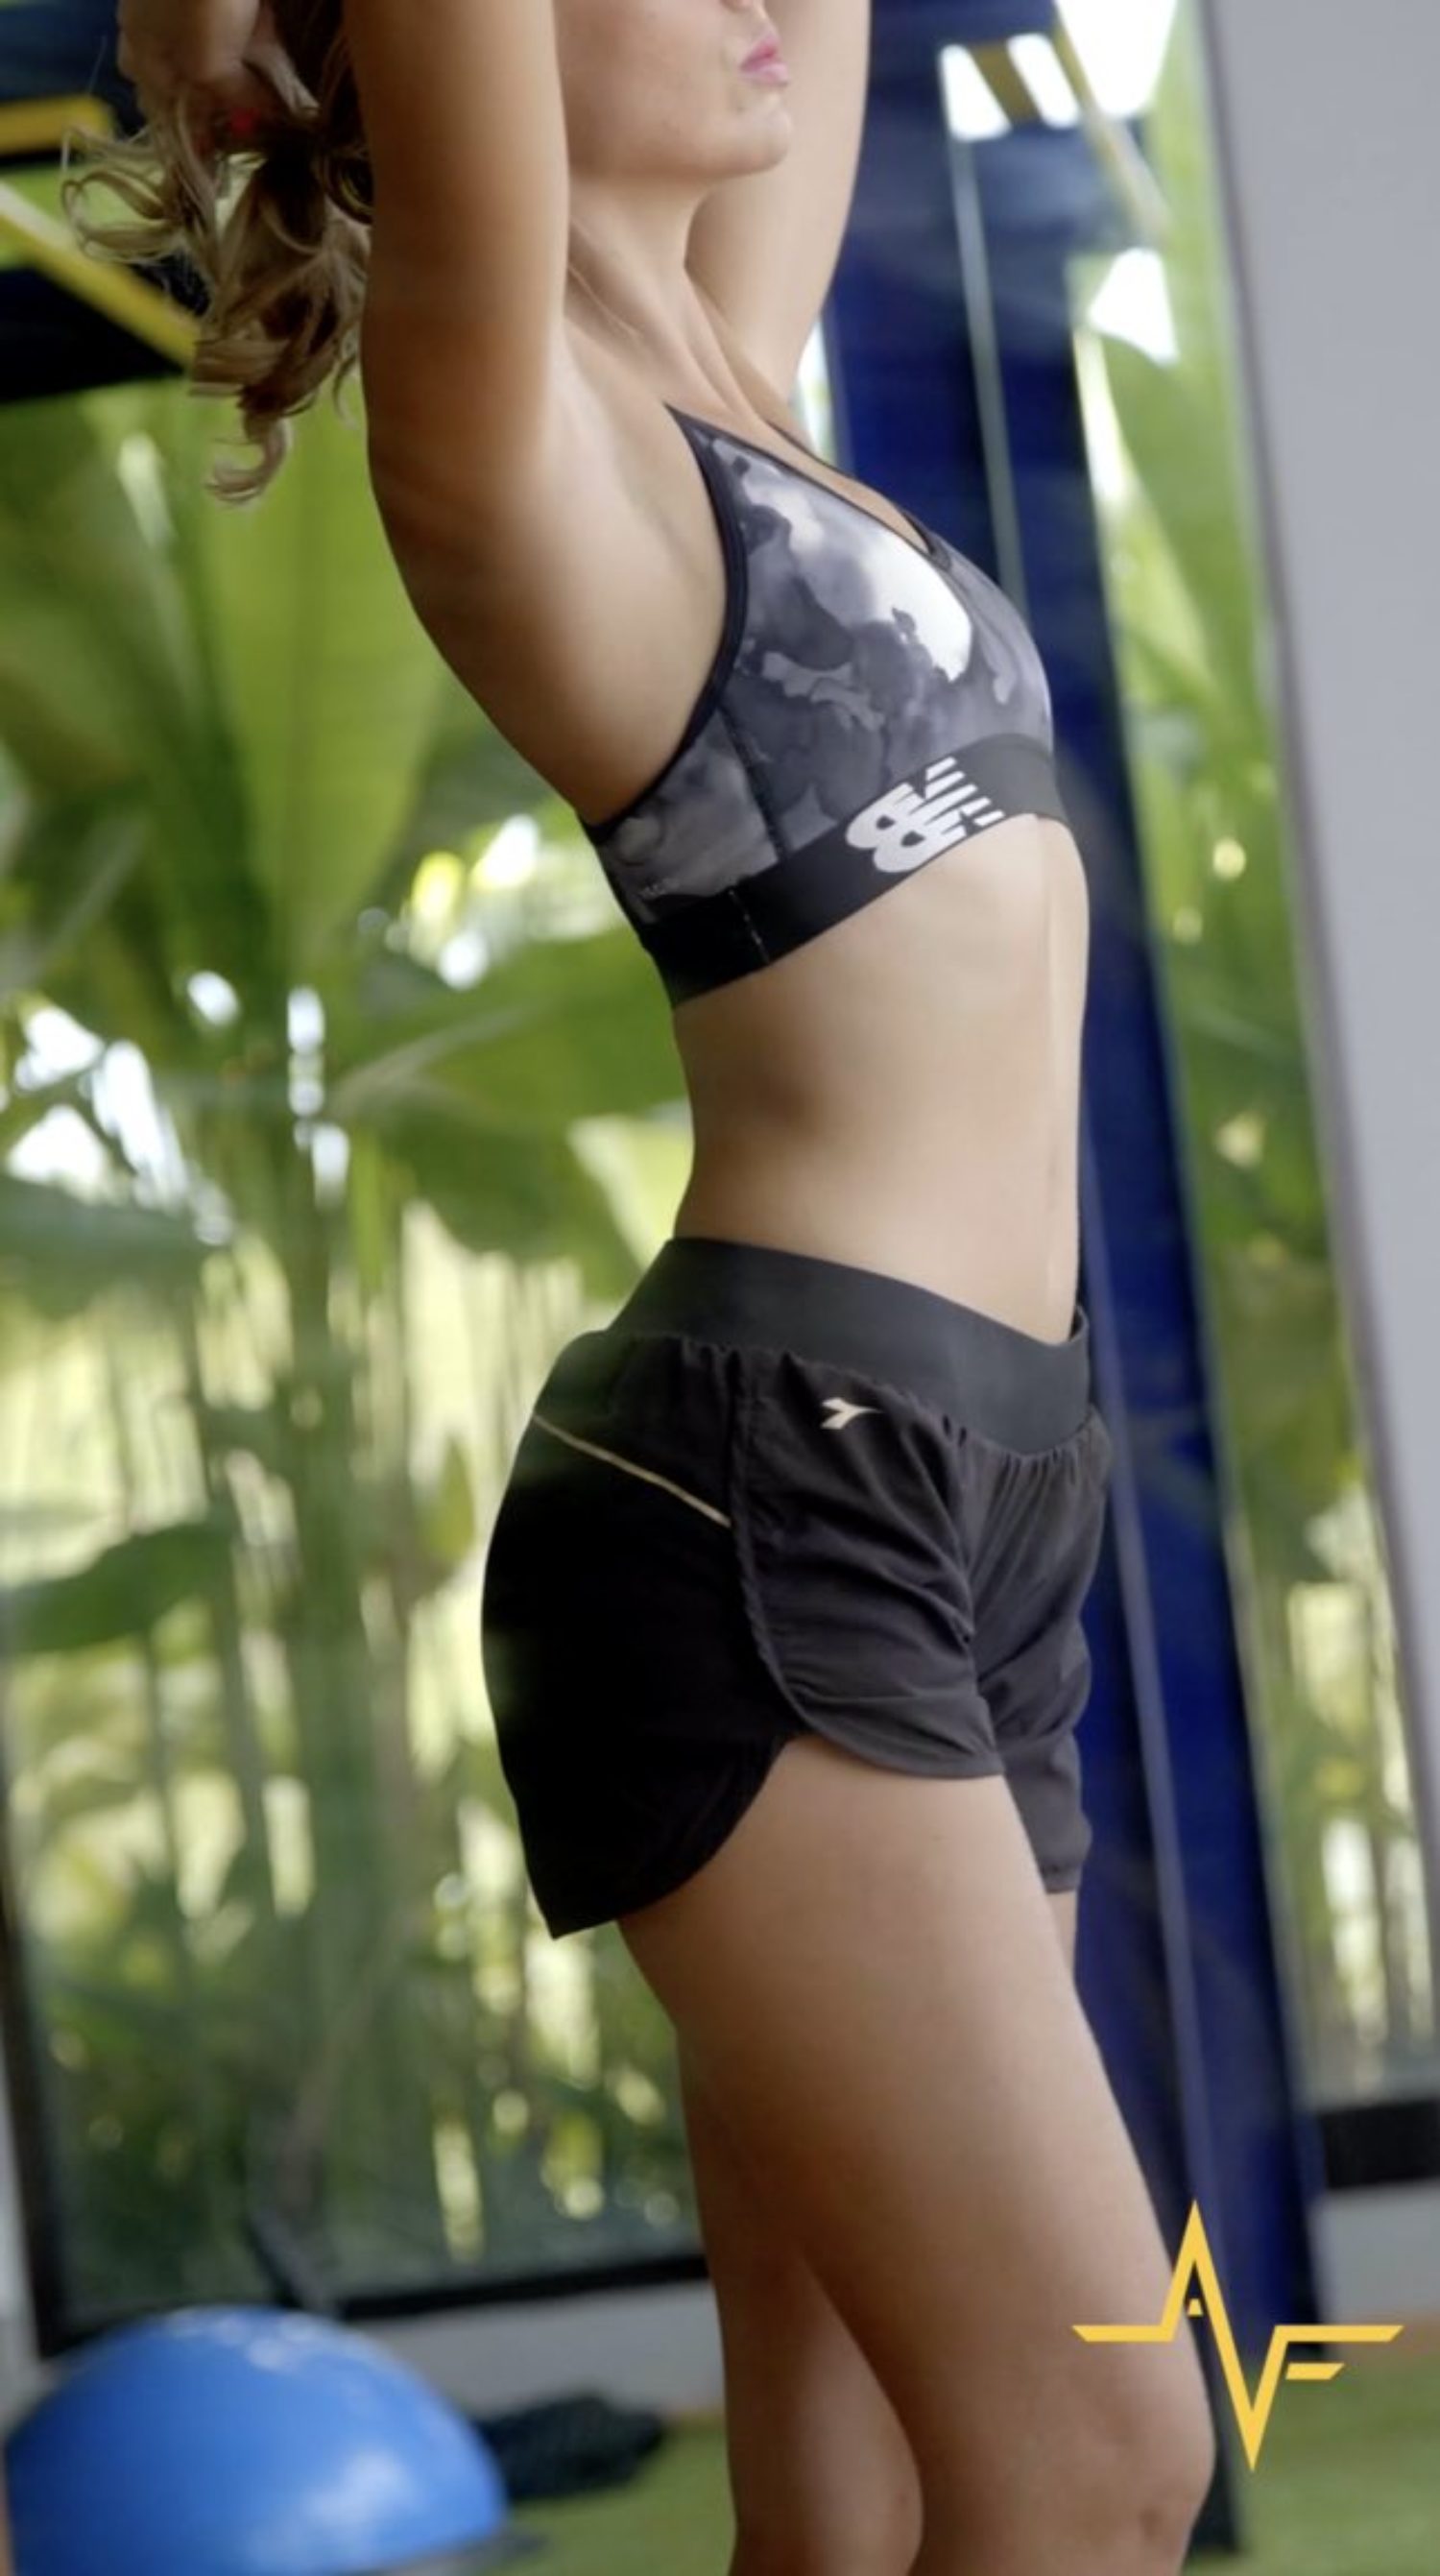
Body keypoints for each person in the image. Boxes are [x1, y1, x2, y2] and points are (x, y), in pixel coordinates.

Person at [85, 7, 1216, 2569]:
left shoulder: (736, 371)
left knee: (857, 2496)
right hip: (774, 1506)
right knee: (1099, 2455)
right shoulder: (509, 428)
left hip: (970, 1502)